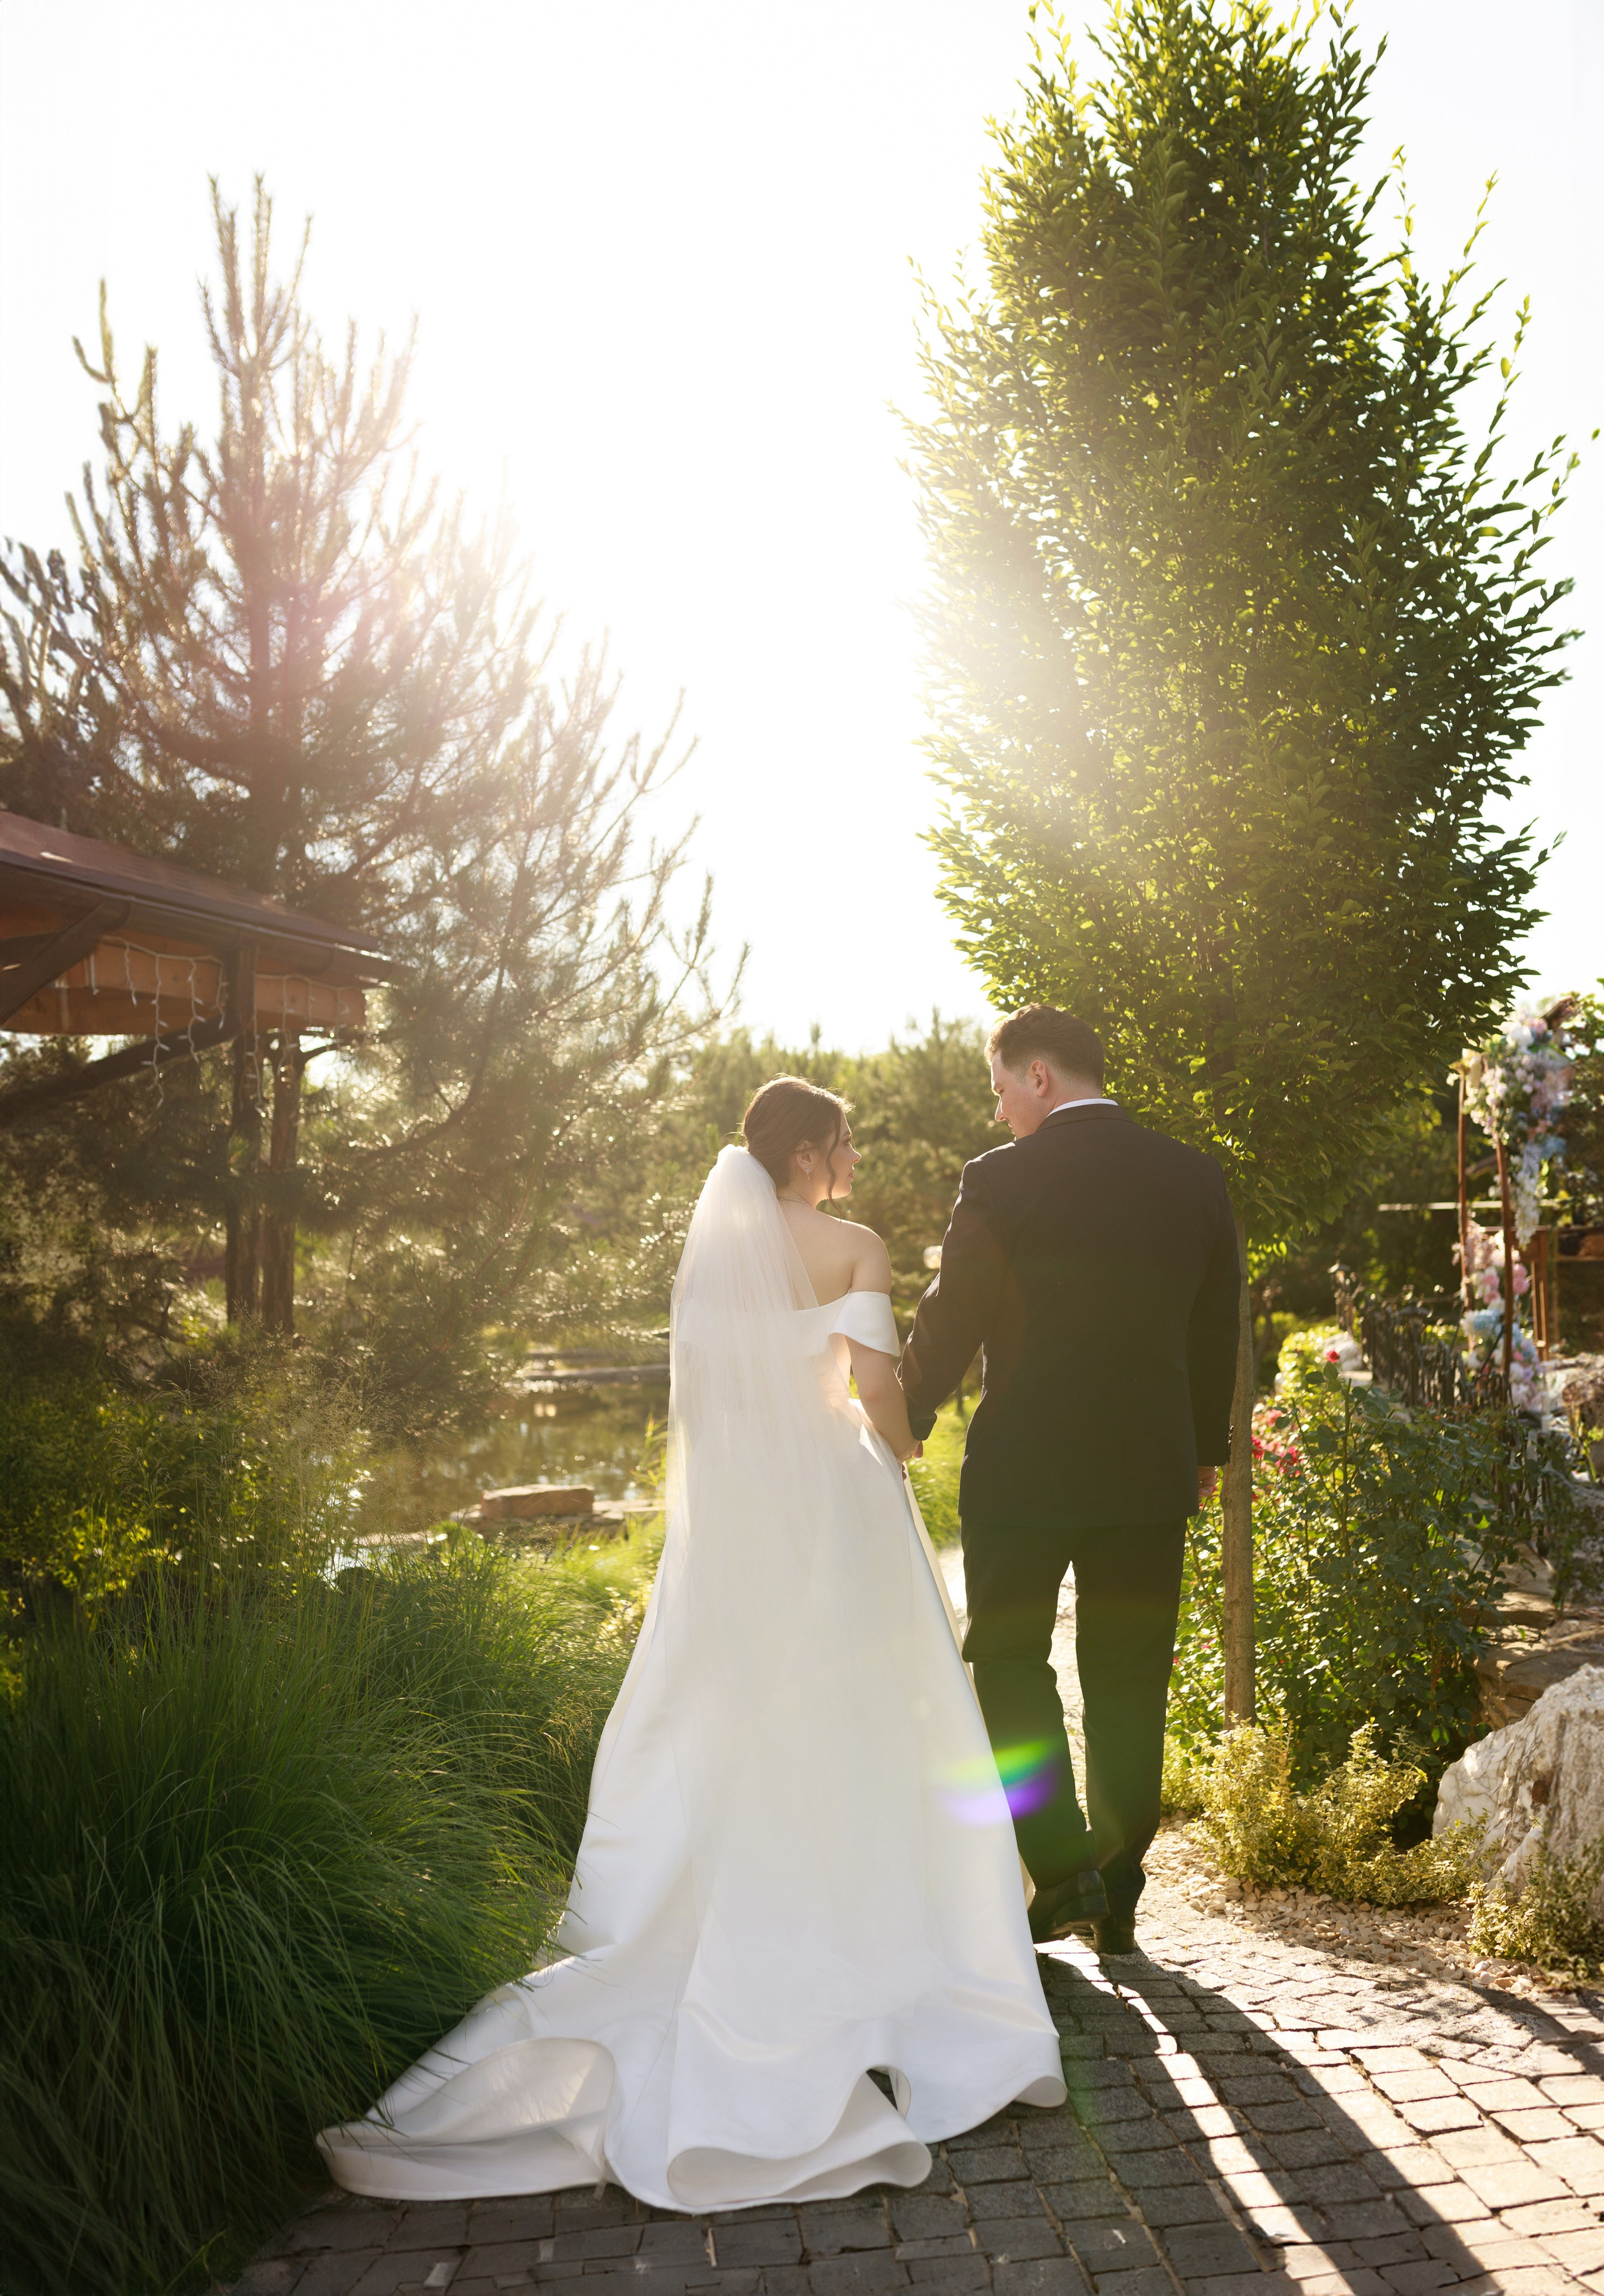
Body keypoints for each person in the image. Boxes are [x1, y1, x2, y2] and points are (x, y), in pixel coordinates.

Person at [320, 1076, 1065, 2212]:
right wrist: (907, 1449)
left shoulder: (714, 1255)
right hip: (840, 1511)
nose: (856, 1153)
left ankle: (767, 1931)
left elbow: (713, 1407)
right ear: (815, 1149)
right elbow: (874, 1391)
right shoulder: (855, 1246)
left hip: (743, 1526)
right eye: (848, 1137)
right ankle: (893, 1973)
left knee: (753, 1723)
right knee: (877, 1722)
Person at [900, 1007, 1241, 1957]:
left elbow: (954, 1308)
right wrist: (1205, 1449)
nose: (1001, 1108)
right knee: (1131, 1677)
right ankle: (1121, 1889)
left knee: (1008, 1661)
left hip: (1024, 1470)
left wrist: (908, 1414)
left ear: (1039, 1076)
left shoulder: (1002, 1178)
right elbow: (1218, 1327)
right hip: (1149, 1468)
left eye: (1003, 1087)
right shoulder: (1194, 1174)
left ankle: (1064, 1872)